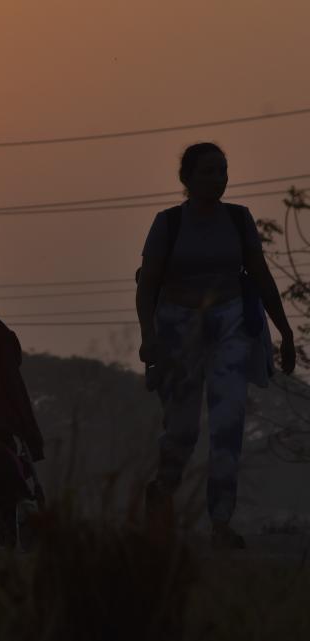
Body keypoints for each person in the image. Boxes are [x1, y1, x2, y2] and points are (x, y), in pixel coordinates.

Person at [136, 142, 296, 549]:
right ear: (186, 179)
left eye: (222, 171)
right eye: (207, 172)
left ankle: (220, 521)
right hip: (178, 329)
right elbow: (148, 285)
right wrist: (149, 339)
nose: (217, 179)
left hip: (230, 326)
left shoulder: (239, 220)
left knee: (228, 426)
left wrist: (285, 331)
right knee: (184, 430)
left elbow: (261, 277)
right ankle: (162, 493)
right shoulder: (168, 223)